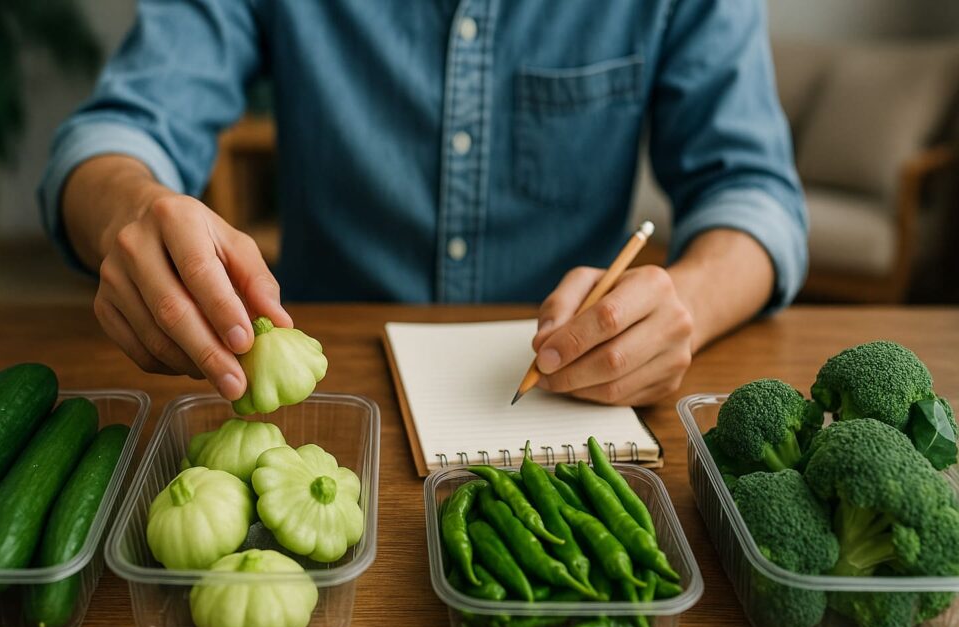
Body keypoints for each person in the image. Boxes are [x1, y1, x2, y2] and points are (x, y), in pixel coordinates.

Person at [40, 1, 806, 406]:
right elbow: (116, 132)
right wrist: (129, 210)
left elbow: (756, 194)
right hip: (331, 395)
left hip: (580, 400)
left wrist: (690, 304)